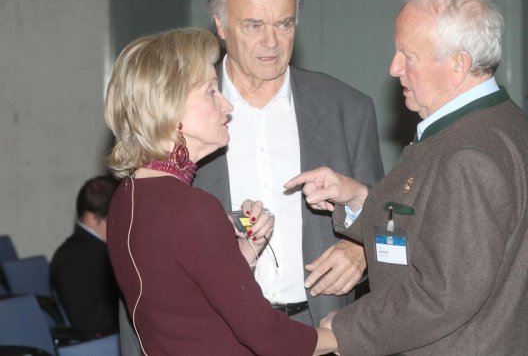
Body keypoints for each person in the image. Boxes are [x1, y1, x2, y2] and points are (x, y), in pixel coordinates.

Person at [285, 0, 528, 355]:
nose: (394, 68)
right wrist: (360, 199)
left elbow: (444, 294)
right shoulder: (496, 120)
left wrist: (344, 331)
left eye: (408, 55)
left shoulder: (469, 154)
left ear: (458, 65)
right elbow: (436, 227)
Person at [104, 27, 337, 355]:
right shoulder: (192, 209)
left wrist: (241, 254)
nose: (227, 105)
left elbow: (185, 307)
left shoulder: (124, 199)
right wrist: (343, 335)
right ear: (170, 108)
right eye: (211, 91)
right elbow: (269, 338)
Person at [195, 0, 384, 322]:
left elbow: (385, 214)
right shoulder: (182, 111)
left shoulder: (347, 108)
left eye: (284, 24)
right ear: (220, 25)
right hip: (216, 329)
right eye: (253, 25)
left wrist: (360, 250)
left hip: (317, 326)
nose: (271, 42)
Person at [50, 175, 119, 333]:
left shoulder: (104, 249)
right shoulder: (70, 260)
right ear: (91, 218)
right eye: (115, 218)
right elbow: (92, 323)